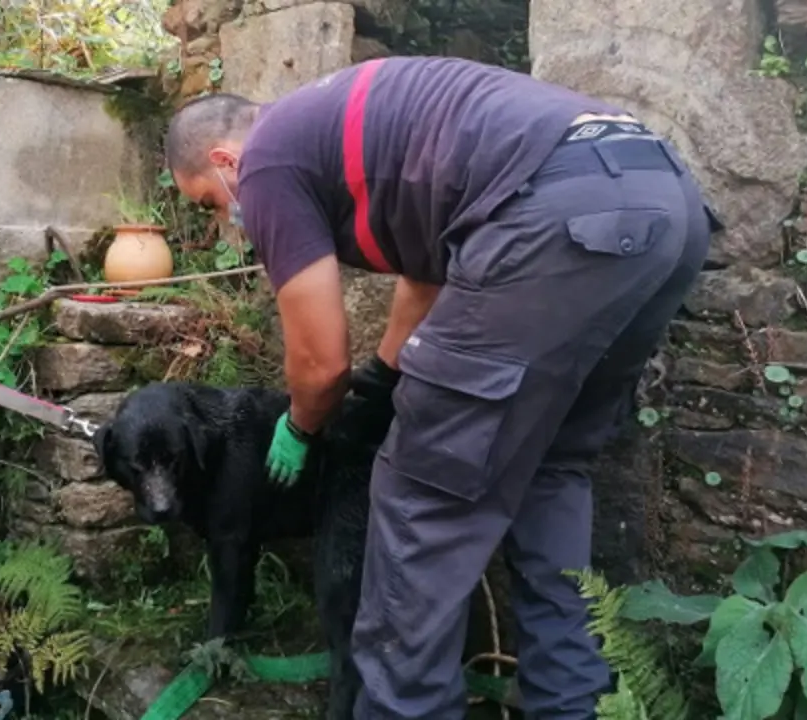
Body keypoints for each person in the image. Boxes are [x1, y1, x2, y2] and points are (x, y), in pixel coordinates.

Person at [165, 56, 718, 718]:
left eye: (209, 203)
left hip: (557, 217)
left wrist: (302, 425)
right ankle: (569, 705)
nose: (227, 221)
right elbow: (426, 280)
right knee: (551, 468)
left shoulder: (269, 161)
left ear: (227, 163)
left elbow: (318, 362)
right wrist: (385, 381)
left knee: (419, 497)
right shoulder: (359, 127)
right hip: (662, 200)